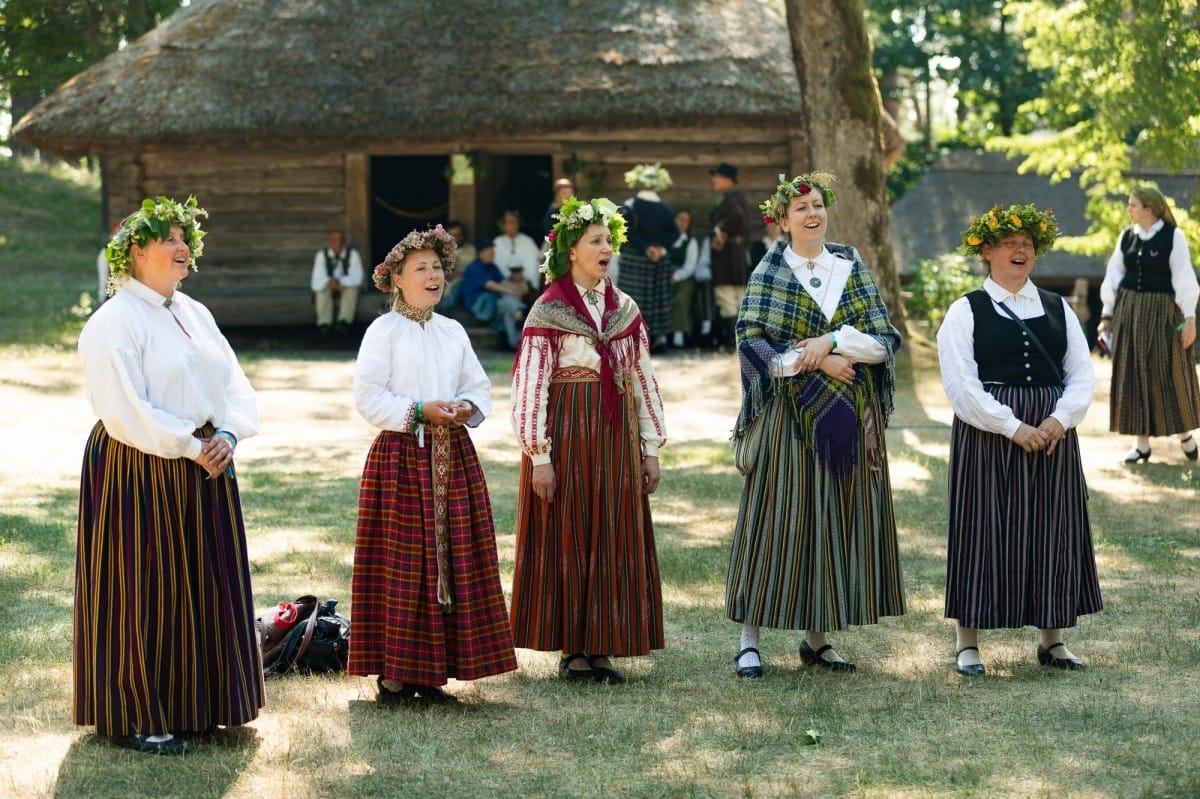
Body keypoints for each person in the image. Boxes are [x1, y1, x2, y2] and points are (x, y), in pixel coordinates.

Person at [75, 196, 262, 754]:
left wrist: (228, 434)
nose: (184, 247)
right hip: (141, 466)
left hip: (207, 461)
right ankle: (137, 713)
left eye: (187, 239)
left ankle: (198, 704)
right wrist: (186, 444)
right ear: (136, 251)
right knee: (142, 587)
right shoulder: (113, 321)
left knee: (201, 585)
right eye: (171, 239)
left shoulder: (195, 313)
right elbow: (124, 407)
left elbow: (233, 383)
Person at [726, 173, 904, 678]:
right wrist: (816, 358)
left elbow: (882, 341)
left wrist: (833, 341)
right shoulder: (771, 270)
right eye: (800, 207)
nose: (811, 213)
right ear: (782, 220)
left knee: (829, 520)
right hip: (790, 416)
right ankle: (749, 639)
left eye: (818, 204)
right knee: (775, 521)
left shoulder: (849, 264)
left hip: (847, 415)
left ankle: (817, 638)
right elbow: (753, 343)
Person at [350, 225, 517, 705]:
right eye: (420, 268)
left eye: (438, 268)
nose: (432, 276)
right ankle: (396, 674)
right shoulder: (383, 331)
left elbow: (478, 385)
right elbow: (367, 396)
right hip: (402, 457)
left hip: (453, 456)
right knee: (405, 561)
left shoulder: (453, 330)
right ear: (396, 279)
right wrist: (418, 411)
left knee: (452, 557)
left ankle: (436, 670)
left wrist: (466, 407)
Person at [938, 203, 1103, 675]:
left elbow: (1081, 374)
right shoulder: (965, 310)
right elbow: (961, 386)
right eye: (1010, 243)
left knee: (1051, 530)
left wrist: (1058, 421)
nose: (1021, 250)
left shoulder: (1057, 308)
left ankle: (1052, 639)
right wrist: (1012, 426)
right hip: (989, 438)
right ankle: (967, 642)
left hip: (1051, 437)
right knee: (981, 529)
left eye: (1028, 244)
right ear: (986, 251)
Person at [510, 196, 667, 685]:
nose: (606, 249)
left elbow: (642, 378)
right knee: (572, 528)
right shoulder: (549, 309)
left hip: (615, 436)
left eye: (609, 242)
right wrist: (539, 456)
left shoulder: (624, 308)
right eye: (595, 241)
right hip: (569, 434)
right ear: (570, 250)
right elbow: (532, 385)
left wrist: (650, 447)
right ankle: (573, 649)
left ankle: (605, 642)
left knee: (613, 530)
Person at [1096, 186, 1200, 463]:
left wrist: (1189, 317)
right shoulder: (1126, 236)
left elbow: (1184, 278)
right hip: (1129, 311)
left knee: (1168, 371)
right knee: (1133, 372)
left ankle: (1184, 434)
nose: (1128, 209)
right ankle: (1141, 444)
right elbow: (1114, 276)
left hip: (1162, 312)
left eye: (1133, 205)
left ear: (1149, 209)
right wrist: (1107, 316)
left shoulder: (1172, 236)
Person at [620, 163, 680, 350]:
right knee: (657, 299)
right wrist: (659, 249)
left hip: (635, 259)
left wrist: (646, 248)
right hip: (658, 261)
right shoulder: (665, 210)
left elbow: (626, 230)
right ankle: (658, 339)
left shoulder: (631, 206)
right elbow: (675, 234)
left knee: (633, 299)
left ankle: (632, 339)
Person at [708, 163, 752, 351]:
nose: (713, 180)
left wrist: (723, 231)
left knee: (728, 298)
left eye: (716, 176)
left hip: (728, 256)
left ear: (727, 179)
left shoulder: (731, 198)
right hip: (736, 255)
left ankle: (732, 344)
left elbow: (736, 217)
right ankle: (739, 343)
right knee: (736, 298)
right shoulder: (735, 197)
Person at [460, 237, 527, 350]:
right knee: (500, 299)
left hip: (494, 304)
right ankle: (517, 310)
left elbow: (502, 282)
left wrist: (517, 289)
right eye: (490, 250)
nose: (493, 253)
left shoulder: (492, 267)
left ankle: (513, 342)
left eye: (493, 250)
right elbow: (490, 285)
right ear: (481, 253)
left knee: (507, 312)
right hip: (480, 306)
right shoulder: (474, 267)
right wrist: (510, 291)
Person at [310, 230, 364, 334]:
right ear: (329, 242)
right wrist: (329, 281)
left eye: (340, 240)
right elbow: (318, 277)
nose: (337, 243)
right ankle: (324, 323)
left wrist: (340, 281)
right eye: (334, 240)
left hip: (344, 284)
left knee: (352, 289)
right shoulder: (322, 255)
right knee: (321, 290)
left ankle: (344, 322)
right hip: (329, 284)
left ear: (344, 242)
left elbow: (357, 277)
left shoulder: (353, 254)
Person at [668, 208, 701, 349]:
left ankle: (679, 335)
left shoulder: (690, 242)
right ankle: (661, 337)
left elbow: (690, 266)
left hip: (684, 276)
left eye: (685, 221)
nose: (682, 223)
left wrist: (676, 277)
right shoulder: (666, 239)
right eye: (679, 219)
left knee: (681, 298)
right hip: (665, 274)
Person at [493, 210, 542, 298]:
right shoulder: (497, 242)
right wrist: (510, 275)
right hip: (504, 281)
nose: (514, 225)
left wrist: (525, 276)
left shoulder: (527, 241)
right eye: (510, 222)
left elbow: (534, 263)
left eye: (516, 222)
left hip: (524, 281)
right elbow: (495, 264)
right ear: (503, 225)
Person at [438, 220, 476, 312]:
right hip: (443, 280)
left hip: (462, 281)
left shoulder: (471, 250)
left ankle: (444, 308)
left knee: (456, 286)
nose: (456, 238)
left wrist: (461, 274)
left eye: (458, 235)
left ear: (463, 235)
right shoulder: (441, 250)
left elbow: (475, 271)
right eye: (453, 235)